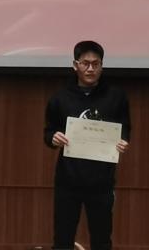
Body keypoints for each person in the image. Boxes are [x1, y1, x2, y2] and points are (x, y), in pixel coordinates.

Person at [44, 40, 131, 250]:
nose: (90, 69)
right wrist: (53, 138)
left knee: (102, 239)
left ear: (102, 66)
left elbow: (125, 128)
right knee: (62, 239)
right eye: (85, 63)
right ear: (75, 65)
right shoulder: (60, 97)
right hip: (68, 180)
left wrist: (123, 141)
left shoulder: (116, 96)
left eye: (96, 64)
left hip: (102, 180)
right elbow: (48, 131)